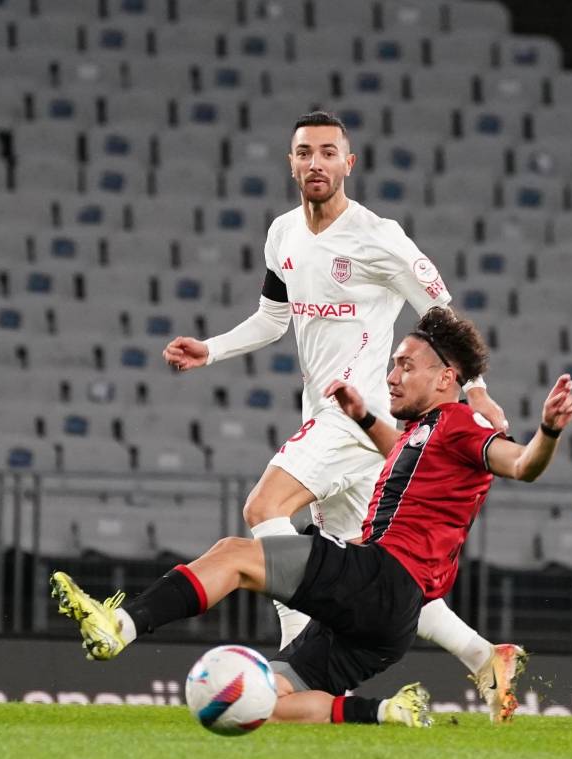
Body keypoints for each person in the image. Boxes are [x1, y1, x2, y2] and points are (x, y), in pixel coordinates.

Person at [161, 110, 525, 721]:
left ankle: (292, 652)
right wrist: (213, 348)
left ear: (348, 163)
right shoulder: (282, 234)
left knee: (264, 511)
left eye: (328, 152)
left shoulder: (378, 236)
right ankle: (484, 655)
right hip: (327, 410)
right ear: (291, 161)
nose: (315, 163)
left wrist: (477, 388)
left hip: (362, 409)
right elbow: (275, 316)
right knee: (374, 563)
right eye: (304, 152)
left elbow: (440, 309)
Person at [52, 308, 572, 727]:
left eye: (404, 365)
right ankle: (385, 712)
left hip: (382, 579)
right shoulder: (429, 430)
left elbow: (522, 464)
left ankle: (119, 625)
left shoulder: (461, 422)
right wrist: (363, 415)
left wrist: (548, 432)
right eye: (393, 364)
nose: (392, 375)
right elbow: (405, 454)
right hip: (392, 621)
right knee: (264, 699)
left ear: (446, 378)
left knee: (234, 555)